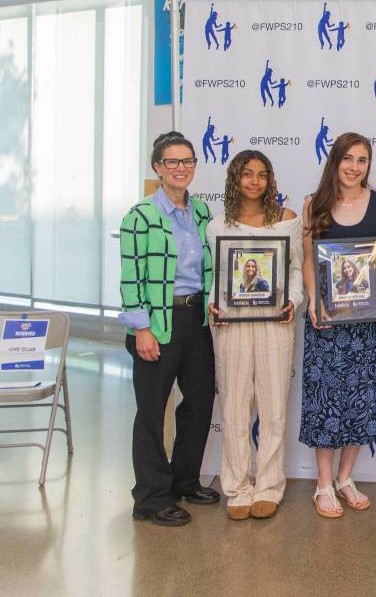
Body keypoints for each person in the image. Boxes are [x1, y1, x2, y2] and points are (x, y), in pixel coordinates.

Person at [118, 132, 217, 527]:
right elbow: (131, 279)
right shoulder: (139, 217)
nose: (181, 168)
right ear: (158, 167)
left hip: (197, 320)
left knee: (199, 402)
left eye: (188, 161)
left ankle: (185, 480)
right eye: (172, 162)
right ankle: (151, 497)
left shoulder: (203, 212)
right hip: (158, 322)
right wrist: (141, 328)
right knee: (152, 411)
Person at [299, 133, 376, 519]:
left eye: (363, 160)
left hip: (368, 323)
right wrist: (313, 300)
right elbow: (308, 260)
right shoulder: (314, 205)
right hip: (327, 322)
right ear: (335, 162)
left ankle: (345, 479)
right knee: (325, 402)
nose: (355, 167)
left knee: (361, 402)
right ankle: (322, 485)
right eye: (349, 159)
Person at [206, 150, 302, 521]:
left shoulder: (286, 221)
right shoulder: (218, 226)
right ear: (235, 178)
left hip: (276, 323)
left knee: (274, 406)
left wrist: (293, 301)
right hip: (232, 323)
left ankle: (269, 486)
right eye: (247, 174)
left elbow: (295, 270)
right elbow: (218, 277)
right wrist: (214, 304)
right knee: (234, 405)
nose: (255, 181)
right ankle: (237, 486)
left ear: (270, 179)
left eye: (262, 175)